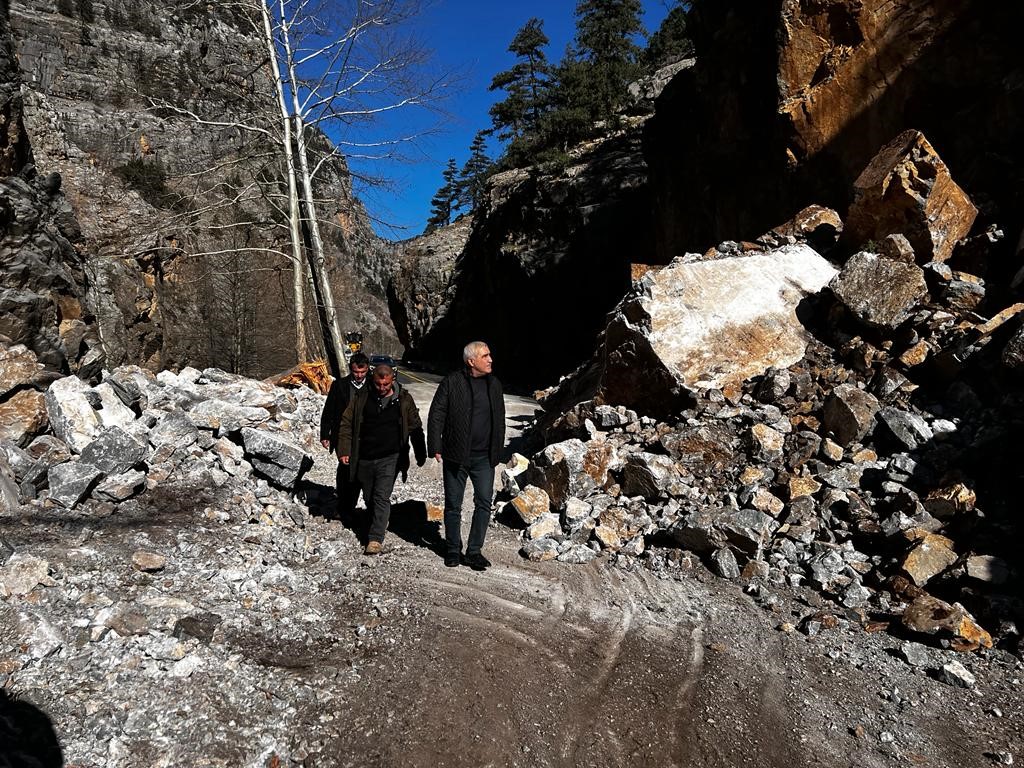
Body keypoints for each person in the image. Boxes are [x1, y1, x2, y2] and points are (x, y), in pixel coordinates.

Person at [428, 341, 505, 570]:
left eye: (490, 355)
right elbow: (437, 413)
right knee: (453, 504)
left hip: (484, 458)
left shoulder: (494, 384)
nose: (490, 359)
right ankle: (452, 549)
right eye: (485, 356)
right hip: (456, 455)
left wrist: (497, 449)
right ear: (471, 361)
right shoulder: (453, 382)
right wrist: (435, 445)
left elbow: (499, 419)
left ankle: (474, 551)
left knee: (483, 502)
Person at [338, 364, 426, 555]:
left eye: (385, 385)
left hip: (391, 457)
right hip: (365, 456)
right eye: (378, 384)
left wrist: (421, 453)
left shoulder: (403, 400)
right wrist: (344, 449)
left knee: (381, 496)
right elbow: (346, 423)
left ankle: (375, 538)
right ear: (373, 380)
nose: (382, 388)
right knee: (370, 497)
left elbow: (415, 427)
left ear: (392, 380)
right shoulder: (362, 398)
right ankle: (373, 522)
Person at [320, 353, 370, 524]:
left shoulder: (373, 385)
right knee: (345, 471)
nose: (359, 376)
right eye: (356, 372)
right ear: (351, 369)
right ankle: (344, 507)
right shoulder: (339, 385)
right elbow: (329, 410)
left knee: (361, 472)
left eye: (363, 372)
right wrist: (325, 434)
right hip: (343, 435)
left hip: (366, 437)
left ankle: (357, 507)